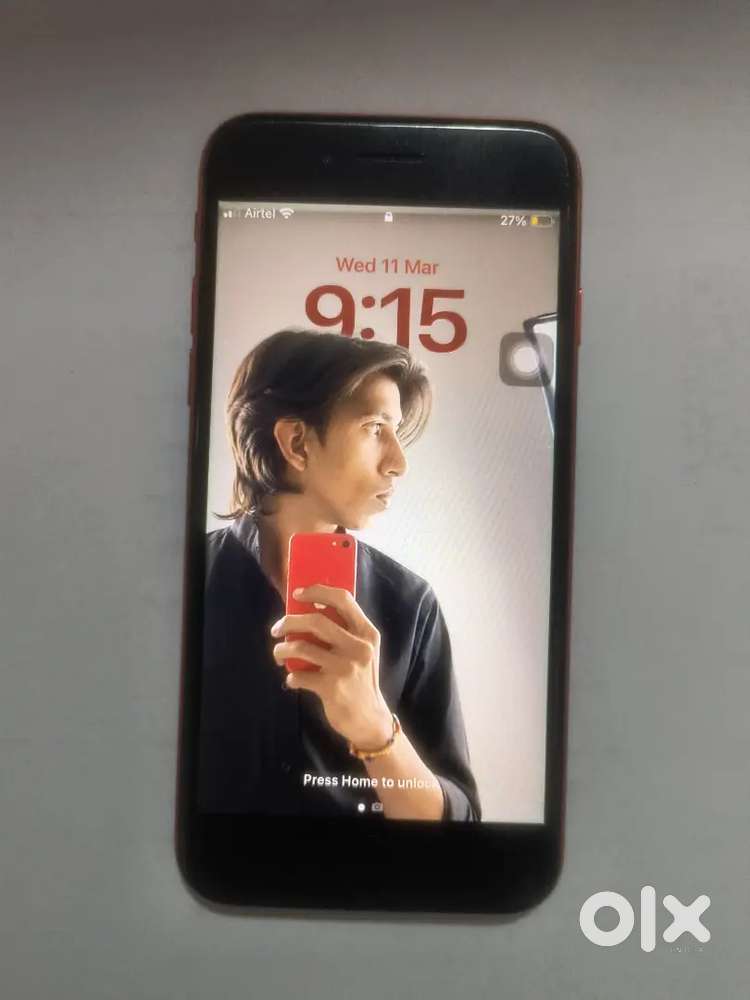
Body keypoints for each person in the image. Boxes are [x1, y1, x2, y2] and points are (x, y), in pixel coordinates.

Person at [198, 329, 481, 821]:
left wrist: (373, 727)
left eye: (396, 431)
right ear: (297, 443)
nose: (398, 463)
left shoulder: (410, 605)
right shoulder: (182, 586)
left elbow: (459, 822)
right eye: (375, 428)